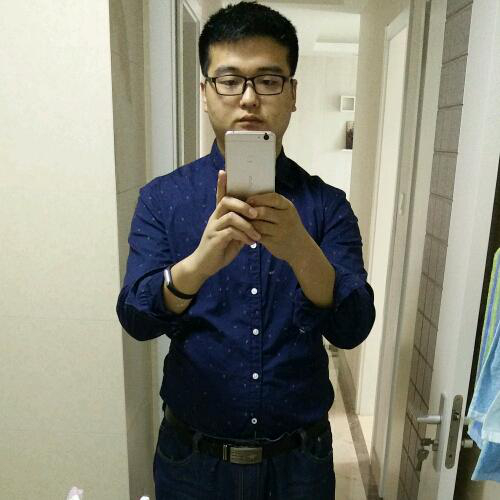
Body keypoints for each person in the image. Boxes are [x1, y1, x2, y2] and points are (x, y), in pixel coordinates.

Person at [116, 2, 375, 499]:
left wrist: (301, 250)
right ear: (205, 94)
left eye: (269, 80)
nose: (250, 98)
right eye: (230, 80)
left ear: (293, 94)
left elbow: (353, 326)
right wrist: (195, 267)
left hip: (299, 463)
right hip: (192, 462)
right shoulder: (162, 199)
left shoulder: (327, 206)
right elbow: (136, 319)